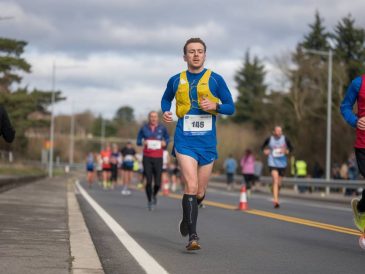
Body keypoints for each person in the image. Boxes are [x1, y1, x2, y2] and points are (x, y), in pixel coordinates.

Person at [161, 37, 235, 250]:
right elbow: (166, 98)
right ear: (184, 56)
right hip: (185, 140)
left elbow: (231, 107)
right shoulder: (176, 80)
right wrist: (166, 110)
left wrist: (216, 105)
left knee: (200, 191)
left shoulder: (216, 79)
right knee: (191, 185)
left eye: (200, 51)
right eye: (191, 51)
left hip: (207, 142)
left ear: (204, 54)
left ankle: (187, 218)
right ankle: (193, 237)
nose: (195, 54)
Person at [340, 75, 365, 232]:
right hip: (363, 144)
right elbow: (345, 107)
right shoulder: (358, 83)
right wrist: (356, 121)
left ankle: (361, 207)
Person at [137, 111, 170, 210]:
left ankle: (154, 195)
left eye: (155, 117)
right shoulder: (143, 128)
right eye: (151, 116)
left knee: (158, 183)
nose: (153, 118)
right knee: (148, 181)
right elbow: (138, 141)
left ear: (157, 118)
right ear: (149, 118)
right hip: (147, 157)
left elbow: (168, 139)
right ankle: (149, 200)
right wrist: (143, 141)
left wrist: (165, 142)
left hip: (158, 158)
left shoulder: (162, 128)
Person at [262, 126, 293, 208]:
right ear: (274, 132)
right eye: (277, 131)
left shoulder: (285, 139)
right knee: (275, 180)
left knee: (279, 183)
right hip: (272, 162)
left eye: (280, 131)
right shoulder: (269, 139)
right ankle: (276, 200)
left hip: (282, 164)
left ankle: (273, 190)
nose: (279, 133)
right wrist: (265, 151)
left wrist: (287, 151)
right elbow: (262, 147)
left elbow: (291, 148)